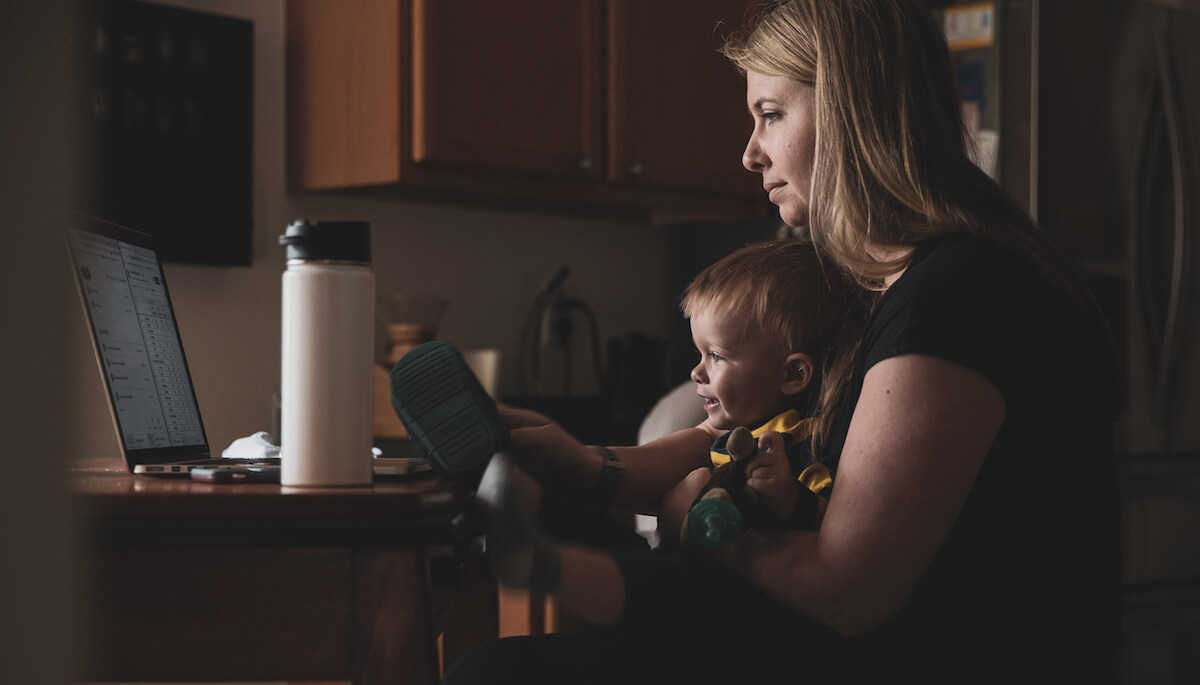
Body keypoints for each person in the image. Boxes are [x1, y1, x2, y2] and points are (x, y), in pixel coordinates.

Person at [446, 1, 1122, 683]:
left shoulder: (958, 294)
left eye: (770, 114)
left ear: (854, 111)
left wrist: (692, 522)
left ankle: (545, 553)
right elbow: (774, 437)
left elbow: (845, 589)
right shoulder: (883, 289)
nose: (749, 151)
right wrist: (592, 466)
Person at [474, 239, 864, 626]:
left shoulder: (805, 442)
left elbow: (825, 524)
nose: (697, 372)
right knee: (602, 529)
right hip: (687, 565)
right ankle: (527, 490)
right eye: (699, 354)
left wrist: (786, 498)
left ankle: (545, 562)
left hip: (736, 604)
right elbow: (690, 443)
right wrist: (574, 456)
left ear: (793, 374)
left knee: (653, 583)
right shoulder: (736, 430)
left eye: (716, 356)